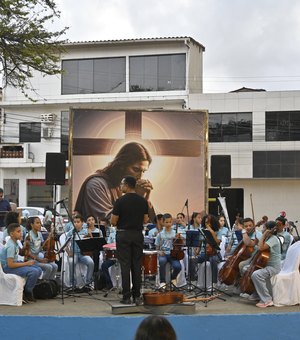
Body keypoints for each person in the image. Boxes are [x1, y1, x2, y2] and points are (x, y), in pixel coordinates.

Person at [75, 142, 155, 221]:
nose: (140, 176)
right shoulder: (96, 185)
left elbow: (150, 222)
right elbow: (109, 220)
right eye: (136, 169)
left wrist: (145, 199)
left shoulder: (122, 186)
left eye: (143, 171)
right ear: (122, 165)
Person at [111, 175, 149, 305]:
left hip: (123, 235)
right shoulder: (143, 201)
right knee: (137, 265)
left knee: (125, 265)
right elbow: (145, 220)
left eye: (122, 184)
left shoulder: (120, 201)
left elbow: (113, 221)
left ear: (127, 185)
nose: (121, 187)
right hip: (138, 235)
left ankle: (126, 297)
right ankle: (137, 296)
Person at [0, 223, 42, 302]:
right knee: (34, 272)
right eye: (18, 232)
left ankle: (27, 288)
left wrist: (25, 247)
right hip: (7, 268)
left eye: (21, 231)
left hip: (13, 264)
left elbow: (20, 254)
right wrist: (27, 264)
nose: (21, 233)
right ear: (12, 234)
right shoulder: (11, 246)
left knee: (38, 269)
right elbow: (10, 264)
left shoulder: (14, 243)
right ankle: (27, 291)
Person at [251, 220, 282, 308]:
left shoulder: (273, 239)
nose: (262, 229)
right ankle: (257, 294)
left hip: (273, 267)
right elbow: (258, 247)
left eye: (264, 227)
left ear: (269, 230)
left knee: (256, 275)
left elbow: (261, 248)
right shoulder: (268, 238)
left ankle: (267, 300)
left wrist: (264, 235)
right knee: (247, 269)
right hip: (266, 265)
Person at [65, 214, 94, 289]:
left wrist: (90, 236)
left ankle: (88, 283)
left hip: (83, 254)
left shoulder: (86, 231)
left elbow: (91, 243)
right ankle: (73, 284)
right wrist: (68, 252)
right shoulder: (71, 232)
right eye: (74, 222)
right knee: (71, 262)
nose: (76, 224)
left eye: (78, 222)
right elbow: (65, 244)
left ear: (82, 223)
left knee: (91, 262)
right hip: (74, 253)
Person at [155, 213, 182, 289]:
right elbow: (157, 247)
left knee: (178, 267)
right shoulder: (160, 234)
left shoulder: (175, 233)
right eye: (166, 222)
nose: (168, 224)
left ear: (172, 222)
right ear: (163, 223)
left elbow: (181, 244)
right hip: (163, 254)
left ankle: (173, 278)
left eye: (170, 222)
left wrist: (180, 238)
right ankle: (162, 281)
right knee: (162, 261)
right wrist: (159, 252)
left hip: (173, 254)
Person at [100, 226, 117, 290]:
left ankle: (124, 286)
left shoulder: (125, 234)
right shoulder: (112, 234)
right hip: (113, 256)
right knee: (104, 265)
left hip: (123, 257)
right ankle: (110, 284)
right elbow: (108, 245)